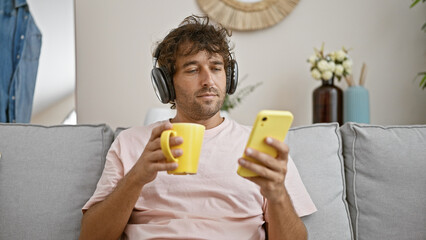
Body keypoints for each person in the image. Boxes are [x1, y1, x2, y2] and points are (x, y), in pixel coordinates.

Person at [79, 15, 317, 240]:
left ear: (229, 77)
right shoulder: (131, 143)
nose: (208, 81)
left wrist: (277, 195)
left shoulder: (260, 146)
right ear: (166, 85)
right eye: (192, 70)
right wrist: (137, 177)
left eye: (216, 68)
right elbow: (90, 236)